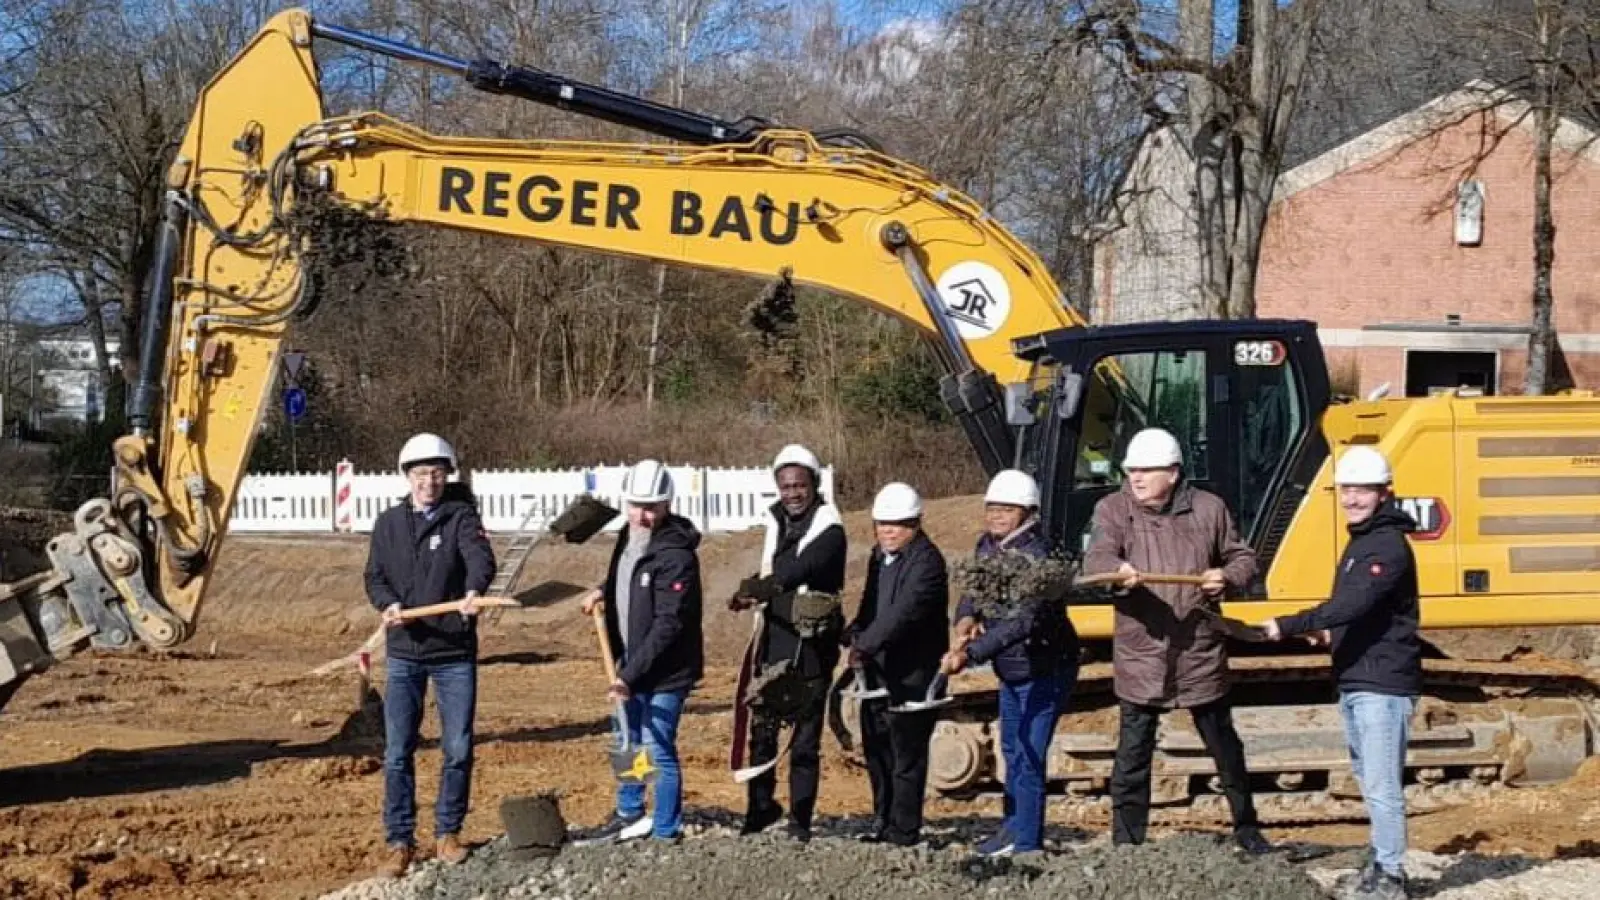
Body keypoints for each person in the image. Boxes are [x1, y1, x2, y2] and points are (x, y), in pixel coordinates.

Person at [1080, 427, 1270, 855]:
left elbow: (1242, 557)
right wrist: (1117, 571)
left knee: (1224, 743)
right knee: (1133, 752)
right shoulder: (1113, 509)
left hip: (1199, 648)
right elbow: (1098, 556)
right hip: (1142, 652)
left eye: (1146, 470)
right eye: (1131, 470)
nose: (1136, 478)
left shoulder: (1208, 509)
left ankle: (1246, 827)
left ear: (1173, 472)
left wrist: (1227, 578)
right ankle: (1127, 842)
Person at [1262, 446, 1420, 900]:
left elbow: (1354, 603)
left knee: (1383, 783)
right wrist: (1332, 636)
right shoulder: (1362, 540)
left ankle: (1391, 877)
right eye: (1347, 489)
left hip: (1382, 683)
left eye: (1362, 490)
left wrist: (1289, 624)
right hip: (1357, 676)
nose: (1351, 498)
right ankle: (1378, 865)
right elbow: (1364, 612)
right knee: (1370, 779)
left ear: (1384, 492)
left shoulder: (1386, 546)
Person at [365, 433, 496, 877]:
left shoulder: (461, 517)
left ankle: (447, 832)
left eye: (437, 473)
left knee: (457, 746)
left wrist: (474, 591)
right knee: (399, 750)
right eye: (421, 474)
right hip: (404, 653)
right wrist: (388, 605)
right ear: (407, 477)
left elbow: (480, 560)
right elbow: (375, 577)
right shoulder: (387, 524)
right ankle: (399, 840)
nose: (429, 482)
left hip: (453, 651)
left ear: (446, 476)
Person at [942, 469, 1078, 858]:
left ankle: (1028, 845)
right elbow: (974, 590)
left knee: (1029, 754)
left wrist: (971, 654)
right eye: (992, 508)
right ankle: (1012, 829)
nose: (997, 516)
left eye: (1007, 509)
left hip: (1044, 669)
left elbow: (1023, 621)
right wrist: (964, 620)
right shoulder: (987, 546)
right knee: (1011, 751)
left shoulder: (1039, 557)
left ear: (1027, 512)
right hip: (1011, 669)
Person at [581, 459, 704, 844]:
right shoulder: (627, 534)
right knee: (627, 740)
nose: (642, 515)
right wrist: (603, 589)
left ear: (667, 505)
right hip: (630, 663)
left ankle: (666, 830)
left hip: (666, 671)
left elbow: (669, 623)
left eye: (651, 507)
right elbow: (625, 572)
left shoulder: (677, 555)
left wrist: (628, 676)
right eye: (636, 505)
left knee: (656, 745)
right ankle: (630, 813)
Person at [731, 444, 847, 842]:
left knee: (804, 739)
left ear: (813, 485)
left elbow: (801, 568)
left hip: (811, 648)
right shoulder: (777, 523)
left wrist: (758, 589)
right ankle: (758, 810)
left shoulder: (830, 530)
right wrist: (748, 590)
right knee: (761, 732)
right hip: (774, 639)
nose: (793, 493)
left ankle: (800, 820)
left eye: (799, 485)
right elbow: (774, 571)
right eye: (786, 486)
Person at [844, 482, 949, 847]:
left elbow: (903, 614)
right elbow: (871, 607)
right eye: (882, 524)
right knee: (877, 751)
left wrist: (865, 644)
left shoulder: (928, 564)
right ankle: (883, 822)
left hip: (913, 676)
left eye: (898, 524)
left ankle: (904, 831)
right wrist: (853, 632)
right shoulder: (880, 557)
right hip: (878, 671)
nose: (889, 531)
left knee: (906, 757)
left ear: (916, 524)